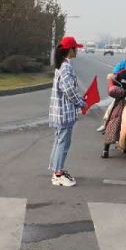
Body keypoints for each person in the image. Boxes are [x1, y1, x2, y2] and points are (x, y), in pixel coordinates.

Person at [49, 36, 88, 186]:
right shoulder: (66, 67)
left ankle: (56, 171)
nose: (77, 50)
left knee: (59, 141)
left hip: (60, 112)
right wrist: (81, 103)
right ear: (70, 50)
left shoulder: (63, 65)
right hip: (64, 113)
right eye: (76, 48)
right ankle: (58, 174)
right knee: (63, 143)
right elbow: (69, 91)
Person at [97, 48, 126, 133]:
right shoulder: (121, 65)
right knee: (113, 105)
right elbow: (114, 75)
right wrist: (112, 76)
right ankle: (106, 124)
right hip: (123, 91)